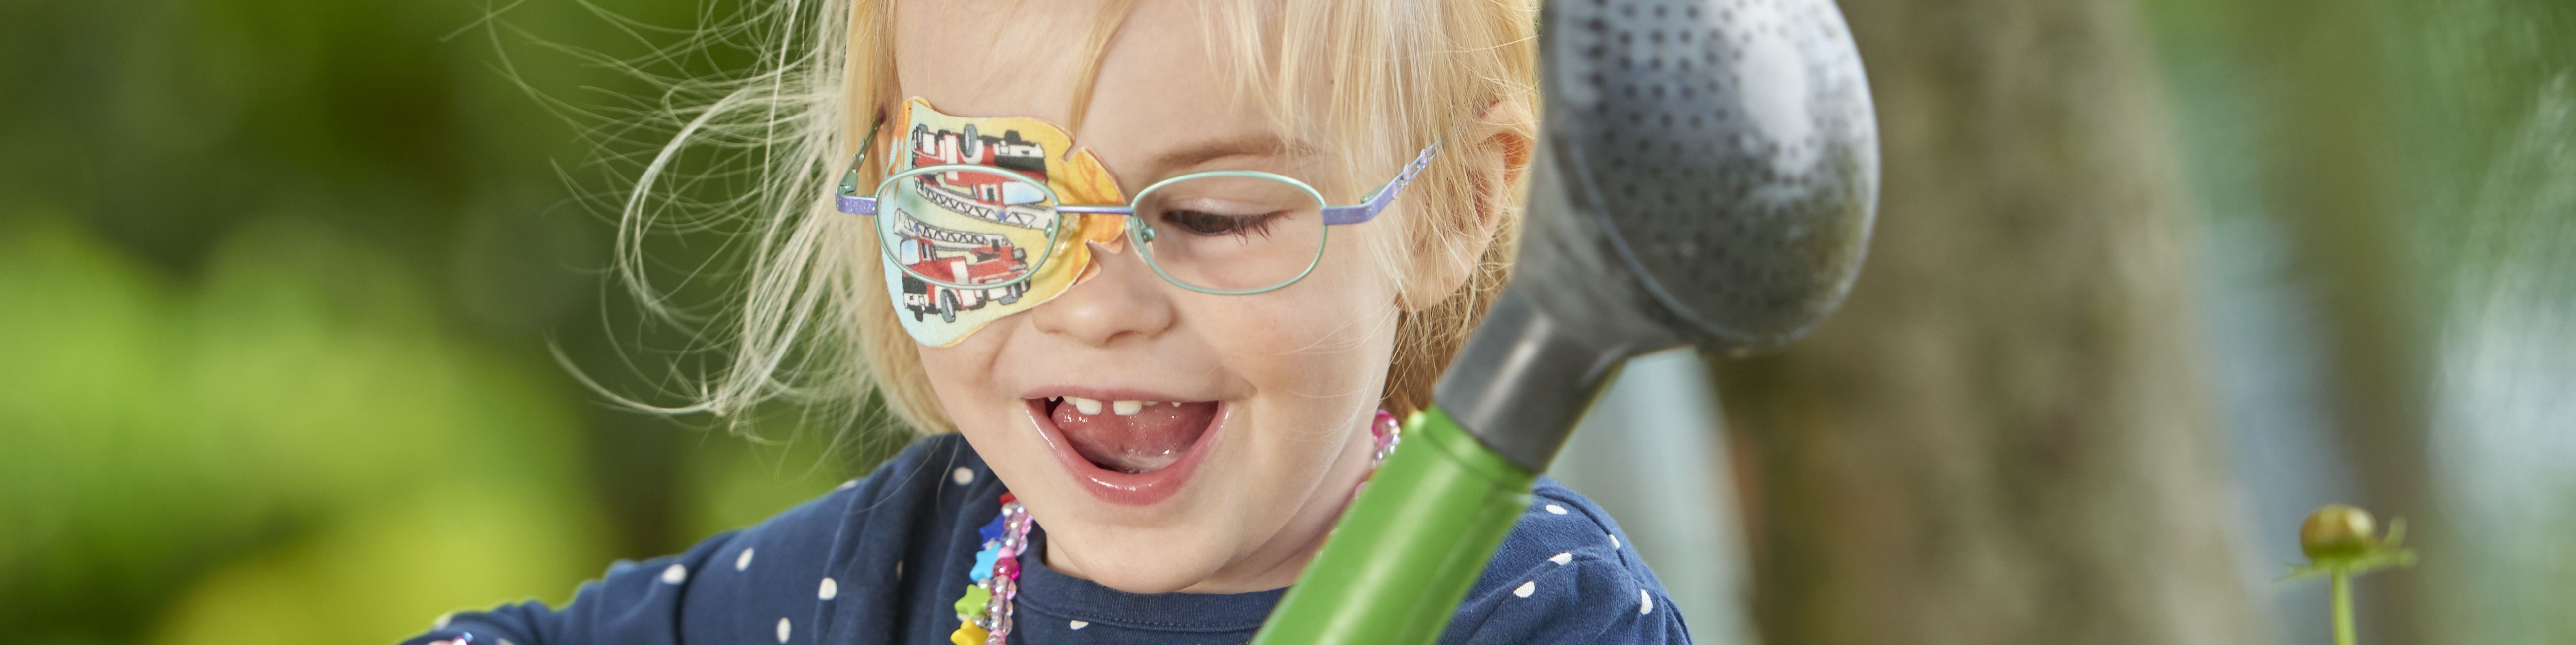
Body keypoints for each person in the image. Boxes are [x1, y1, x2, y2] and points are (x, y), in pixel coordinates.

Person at [398, 0, 1689, 643]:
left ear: (1454, 205)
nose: (1097, 309)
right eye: (991, 205)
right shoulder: (914, 556)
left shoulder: (1533, 612)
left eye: (1217, 214)